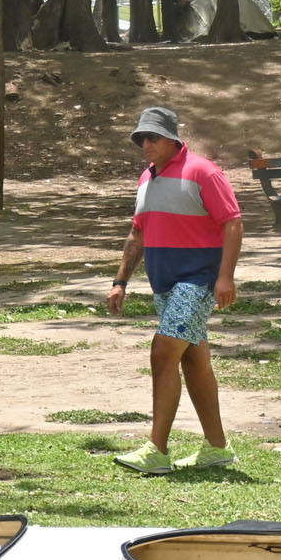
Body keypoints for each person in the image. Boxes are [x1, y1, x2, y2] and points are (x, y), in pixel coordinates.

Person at [108, 106, 244, 474]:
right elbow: (138, 234)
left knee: (163, 352)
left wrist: (225, 277)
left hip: (198, 279)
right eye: (141, 138)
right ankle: (217, 448)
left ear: (173, 138)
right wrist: (120, 282)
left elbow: (232, 222)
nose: (146, 144)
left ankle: (157, 450)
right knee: (193, 359)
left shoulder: (203, 171)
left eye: (153, 137)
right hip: (164, 283)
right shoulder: (146, 179)